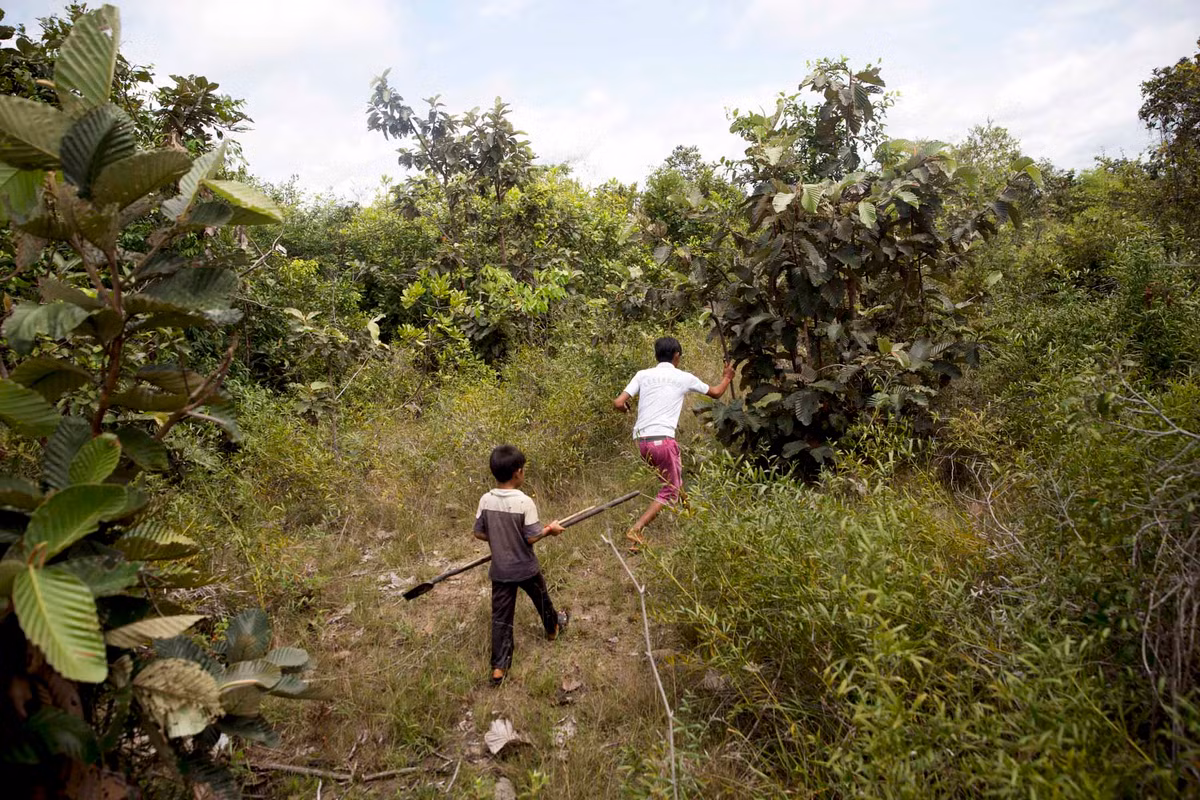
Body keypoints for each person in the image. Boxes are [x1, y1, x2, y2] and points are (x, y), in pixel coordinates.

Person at [613, 336, 734, 550]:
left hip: (642, 442)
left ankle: (692, 517)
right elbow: (716, 393)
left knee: (674, 479)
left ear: (656, 355)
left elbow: (619, 402)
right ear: (676, 356)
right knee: (670, 490)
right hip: (663, 440)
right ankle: (636, 530)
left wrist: (625, 409)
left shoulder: (643, 375)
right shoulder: (682, 377)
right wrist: (727, 377)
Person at [473, 444, 568, 686]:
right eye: (524, 470)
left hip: (501, 570)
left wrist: (499, 538)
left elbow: (479, 533)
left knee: (501, 617)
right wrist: (550, 529)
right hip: (525, 567)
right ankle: (552, 627)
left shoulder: (486, 500)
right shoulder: (524, 502)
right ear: (518, 472)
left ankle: (499, 667)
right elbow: (531, 537)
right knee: (541, 598)